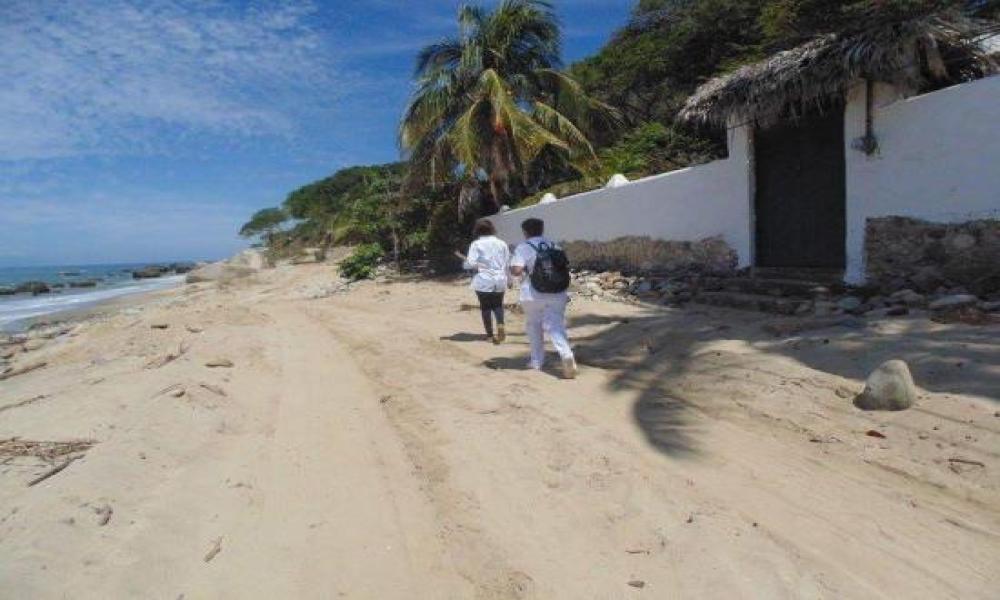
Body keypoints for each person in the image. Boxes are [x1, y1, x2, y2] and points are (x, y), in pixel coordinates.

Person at [509, 218, 577, 379]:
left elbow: (516, 271)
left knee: (534, 325)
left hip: (533, 294)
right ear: (542, 229)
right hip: (558, 292)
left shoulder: (524, 247)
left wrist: (517, 267)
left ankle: (537, 361)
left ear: (525, 232)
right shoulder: (555, 245)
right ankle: (566, 354)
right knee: (556, 325)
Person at [455, 219, 511, 344]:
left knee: (485, 307)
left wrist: (466, 264)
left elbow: (470, 264)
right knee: (498, 305)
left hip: (484, 280)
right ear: (492, 229)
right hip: (500, 278)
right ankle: (500, 324)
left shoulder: (476, 244)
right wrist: (510, 279)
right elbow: (507, 263)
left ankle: (490, 335)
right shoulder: (502, 243)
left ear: (477, 230)